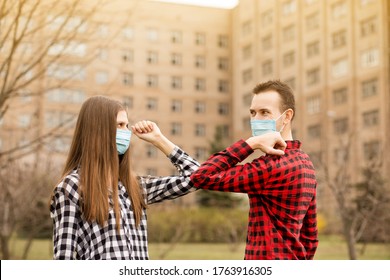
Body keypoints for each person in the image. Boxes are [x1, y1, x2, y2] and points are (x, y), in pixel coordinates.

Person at [49, 95, 201, 260]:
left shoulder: (135, 186)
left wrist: (159, 140)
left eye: (127, 125)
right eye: (120, 125)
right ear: (98, 129)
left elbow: (197, 177)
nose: (127, 132)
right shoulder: (71, 188)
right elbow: (64, 259)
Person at [190, 80, 319, 260]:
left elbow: (202, 177)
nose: (256, 119)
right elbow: (310, 237)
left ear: (287, 116)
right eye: (253, 113)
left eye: (265, 112)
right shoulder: (305, 162)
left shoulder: (271, 167)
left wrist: (251, 143)